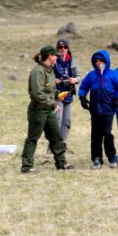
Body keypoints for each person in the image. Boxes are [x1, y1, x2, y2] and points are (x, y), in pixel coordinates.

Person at [20, 45, 75, 173]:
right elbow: (37, 93)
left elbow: (51, 89)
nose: (57, 57)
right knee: (33, 138)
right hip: (38, 110)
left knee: (56, 136)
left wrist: (58, 95)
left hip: (49, 110)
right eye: (55, 55)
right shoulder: (37, 71)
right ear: (49, 56)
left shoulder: (50, 71)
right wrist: (53, 104)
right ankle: (26, 166)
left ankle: (61, 163)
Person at [79, 50, 118, 169]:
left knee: (107, 133)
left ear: (106, 61)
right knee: (96, 134)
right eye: (96, 61)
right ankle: (97, 158)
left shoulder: (113, 75)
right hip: (95, 109)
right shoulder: (91, 75)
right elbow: (84, 86)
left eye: (101, 60)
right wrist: (82, 97)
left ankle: (112, 157)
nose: (98, 63)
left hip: (108, 109)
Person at [53, 39, 81, 153]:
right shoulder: (53, 60)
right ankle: (54, 145)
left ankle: (64, 144)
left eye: (65, 47)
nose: (62, 49)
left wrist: (75, 79)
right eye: (60, 48)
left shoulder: (72, 61)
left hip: (69, 94)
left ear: (68, 48)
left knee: (67, 121)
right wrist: (53, 80)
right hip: (57, 95)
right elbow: (47, 75)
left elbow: (79, 76)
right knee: (57, 120)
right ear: (57, 49)